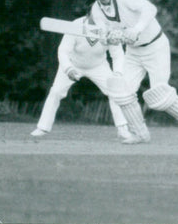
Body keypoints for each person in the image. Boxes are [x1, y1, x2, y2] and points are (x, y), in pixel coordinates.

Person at [86, 0, 178, 144]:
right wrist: (110, 37)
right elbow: (104, 35)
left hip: (155, 46)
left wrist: (136, 29)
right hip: (133, 53)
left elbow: (150, 9)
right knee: (121, 91)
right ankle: (141, 134)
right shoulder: (96, 11)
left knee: (159, 94)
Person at [30, 13, 133, 141]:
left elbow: (117, 55)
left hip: (99, 66)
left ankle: (123, 129)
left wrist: (117, 73)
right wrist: (69, 69)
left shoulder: (110, 29)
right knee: (56, 91)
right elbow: (63, 51)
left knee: (115, 91)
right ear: (89, 13)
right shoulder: (75, 26)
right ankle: (42, 128)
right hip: (74, 64)